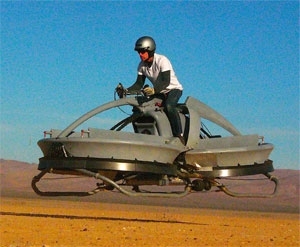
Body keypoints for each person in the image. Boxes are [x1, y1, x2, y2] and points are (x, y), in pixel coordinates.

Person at [125, 36, 185, 144]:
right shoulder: (141, 66)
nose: (140, 54)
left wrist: (154, 90)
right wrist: (126, 91)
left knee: (169, 106)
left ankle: (179, 135)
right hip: (159, 92)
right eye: (139, 52)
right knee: (140, 107)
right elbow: (138, 85)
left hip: (173, 89)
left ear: (150, 50)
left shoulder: (162, 60)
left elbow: (165, 82)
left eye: (142, 52)